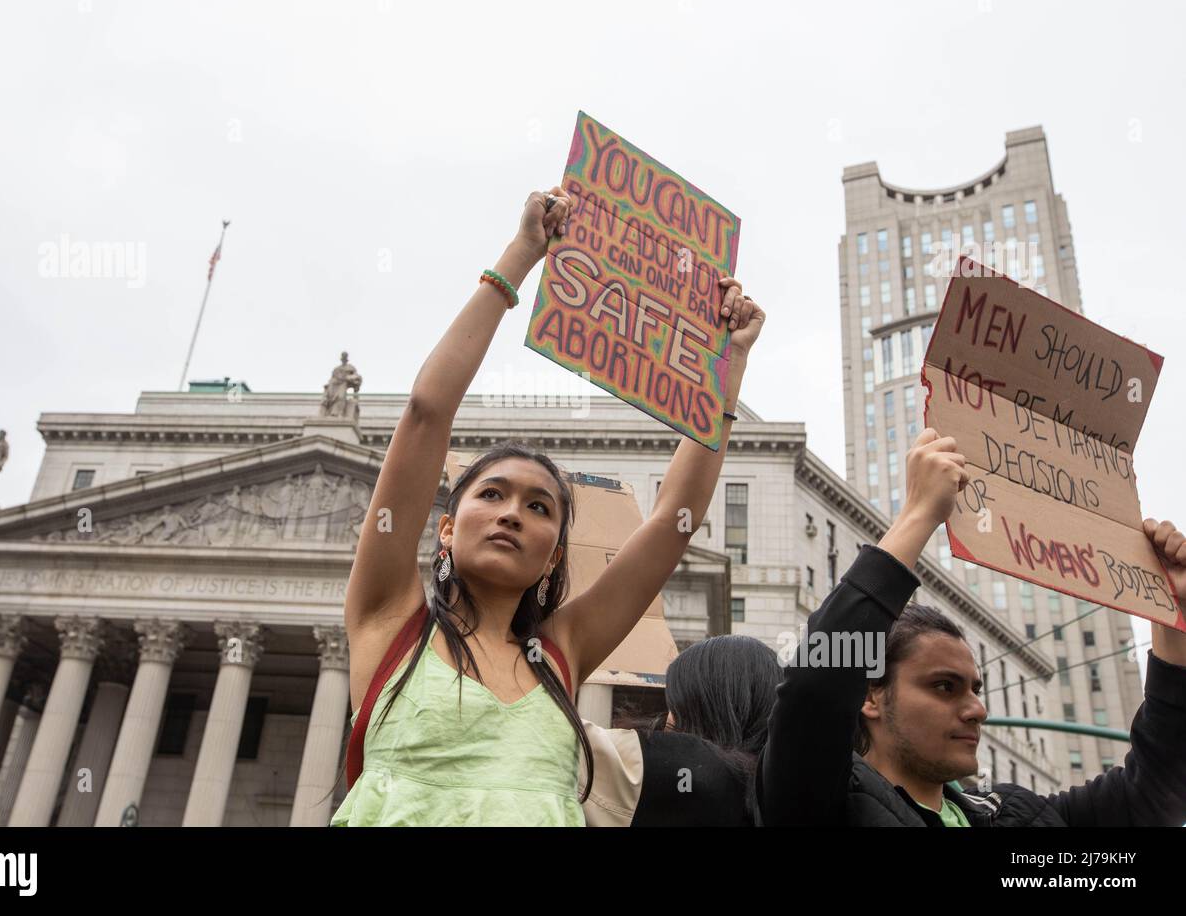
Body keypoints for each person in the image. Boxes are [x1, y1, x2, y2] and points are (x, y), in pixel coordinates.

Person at [331, 186, 765, 825]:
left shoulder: (563, 650)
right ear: (445, 528)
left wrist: (727, 366)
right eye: (492, 494)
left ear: (555, 551)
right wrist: (521, 255)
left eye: (540, 508)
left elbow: (676, 519)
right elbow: (427, 414)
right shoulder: (388, 622)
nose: (512, 513)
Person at [757, 427, 1186, 827]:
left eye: (974, 689)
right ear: (870, 694)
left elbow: (1154, 790)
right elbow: (815, 688)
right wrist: (920, 514)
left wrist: (1173, 616)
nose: (977, 710)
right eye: (945, 686)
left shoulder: (1015, 814)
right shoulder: (819, 800)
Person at [582, 634, 783, 826]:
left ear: (704, 709)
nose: (667, 720)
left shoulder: (696, 771)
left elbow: (567, 746)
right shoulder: (776, 794)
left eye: (674, 707)